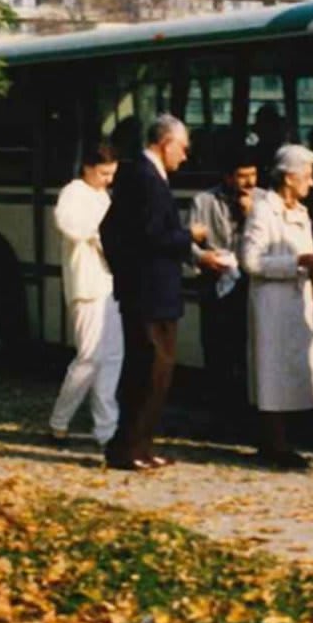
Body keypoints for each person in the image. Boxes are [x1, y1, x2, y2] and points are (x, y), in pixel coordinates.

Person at [99, 114, 207, 471]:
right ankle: (128, 447)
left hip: (152, 288)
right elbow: (149, 235)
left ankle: (140, 445)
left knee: (156, 371)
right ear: (166, 143)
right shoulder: (144, 177)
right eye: (184, 148)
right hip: (148, 290)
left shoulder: (143, 175)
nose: (186, 156)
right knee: (149, 368)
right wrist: (189, 236)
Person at [240, 144, 313, 469]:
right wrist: (297, 262)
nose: (312, 182)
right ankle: (273, 443)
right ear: (289, 178)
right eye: (307, 176)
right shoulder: (263, 210)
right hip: (271, 304)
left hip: (297, 301)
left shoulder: (301, 212)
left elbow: (305, 255)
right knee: (272, 371)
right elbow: (250, 261)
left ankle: (284, 441)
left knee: (292, 370)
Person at [48, 145, 122, 446]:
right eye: (104, 173)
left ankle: (106, 427)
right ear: (87, 168)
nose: (107, 180)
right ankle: (60, 419)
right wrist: (98, 233)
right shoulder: (74, 192)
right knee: (89, 357)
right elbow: (67, 224)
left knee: (113, 357)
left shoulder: (102, 195)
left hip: (110, 284)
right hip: (86, 285)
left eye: (112, 175)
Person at [190, 148, 259, 430]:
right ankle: (220, 416)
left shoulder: (264, 201)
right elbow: (190, 243)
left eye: (253, 175)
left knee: (248, 351)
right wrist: (203, 257)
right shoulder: (204, 201)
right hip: (216, 284)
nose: (249, 182)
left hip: (251, 285)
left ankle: (247, 415)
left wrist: (251, 215)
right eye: (242, 176)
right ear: (228, 177)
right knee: (218, 352)